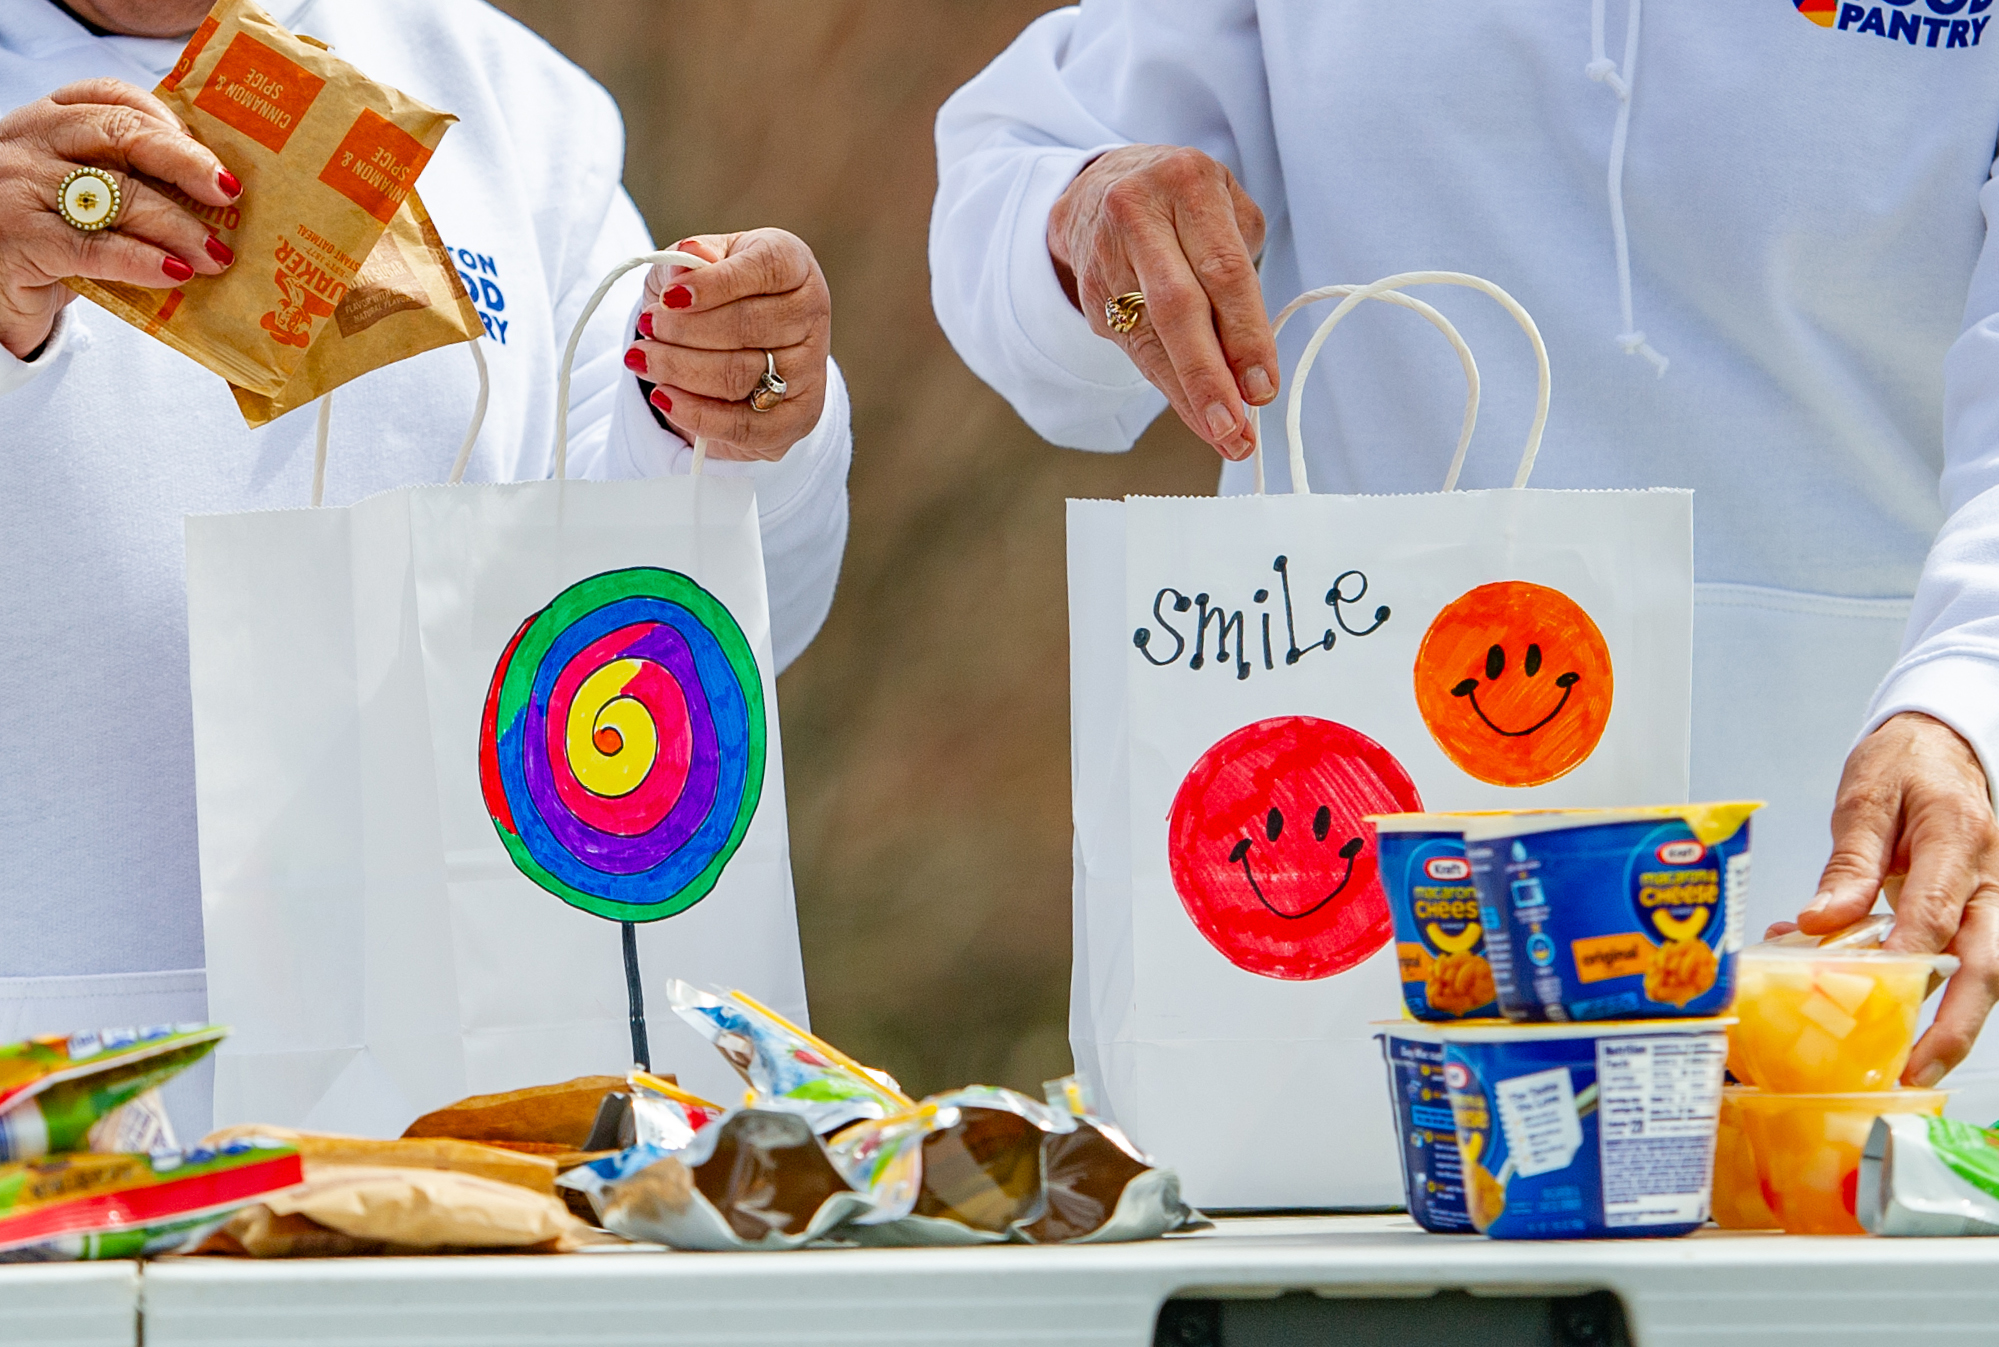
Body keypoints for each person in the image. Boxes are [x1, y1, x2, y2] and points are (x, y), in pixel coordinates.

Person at [932, 1, 1999, 1112]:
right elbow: (1020, 183)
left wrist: (1969, 698)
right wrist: (1088, 221)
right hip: (1337, 968)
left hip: (1883, 910)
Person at [0, 0, 849, 1127]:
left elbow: (701, 620)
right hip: (46, 1103)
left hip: (449, 1084)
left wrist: (745, 407)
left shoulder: (499, 96)